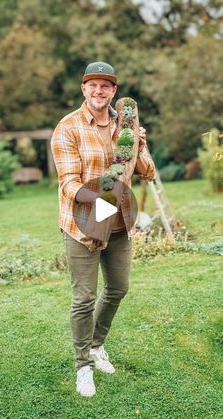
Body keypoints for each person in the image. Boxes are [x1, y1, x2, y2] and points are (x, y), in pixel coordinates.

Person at [51, 61, 155, 397]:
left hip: (120, 225)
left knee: (118, 288)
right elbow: (69, 183)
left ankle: (96, 346)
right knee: (84, 298)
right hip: (82, 225)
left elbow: (147, 172)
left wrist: (139, 144)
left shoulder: (127, 124)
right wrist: (104, 198)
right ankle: (83, 364)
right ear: (83, 88)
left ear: (113, 90)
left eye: (106, 86)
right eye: (93, 85)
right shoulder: (67, 128)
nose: (99, 91)